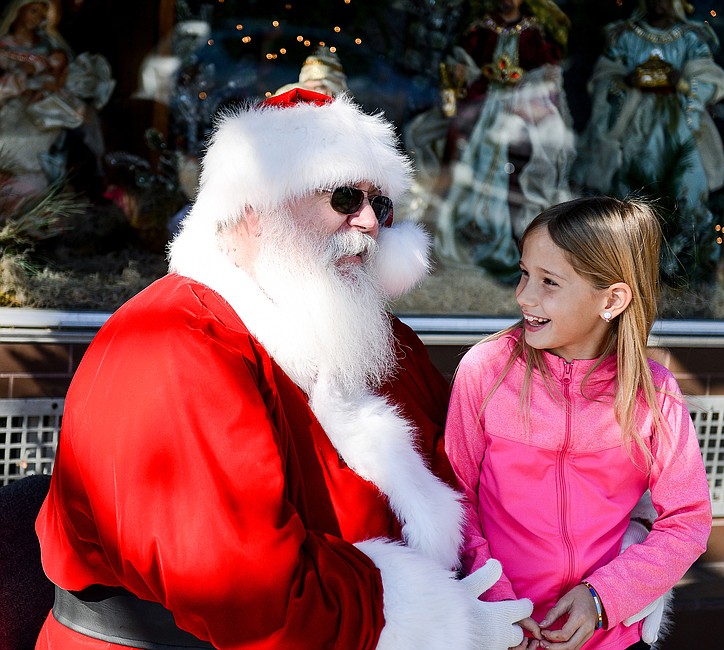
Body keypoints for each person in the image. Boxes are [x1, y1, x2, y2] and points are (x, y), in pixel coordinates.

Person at [34, 88, 534, 649]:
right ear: (254, 209)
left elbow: (475, 473)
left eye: (380, 204)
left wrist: (601, 555)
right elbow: (246, 588)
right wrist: (444, 622)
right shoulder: (172, 344)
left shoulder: (379, 340)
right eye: (344, 197)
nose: (369, 221)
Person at [444, 196, 712, 649]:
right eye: (524, 273)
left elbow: (687, 521)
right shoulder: (486, 371)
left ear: (612, 299)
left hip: (610, 635)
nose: (525, 295)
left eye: (550, 282)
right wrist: (499, 604)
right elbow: (454, 496)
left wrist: (603, 597)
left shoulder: (654, 393)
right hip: (499, 630)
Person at [571, 0, 724, 282]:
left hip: (679, 125)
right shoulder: (626, 36)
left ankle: (685, 266)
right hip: (636, 126)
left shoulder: (691, 38)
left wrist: (682, 82)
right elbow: (605, 77)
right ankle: (631, 264)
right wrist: (626, 82)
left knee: (687, 184)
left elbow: (708, 78)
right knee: (634, 186)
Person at [432, 0, 575, 282]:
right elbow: (463, 66)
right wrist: (464, 73)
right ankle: (473, 232)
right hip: (484, 107)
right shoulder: (480, 30)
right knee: (474, 160)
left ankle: (516, 238)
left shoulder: (533, 31)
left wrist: (528, 89)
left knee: (519, 162)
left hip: (520, 109)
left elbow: (547, 74)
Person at [0, 0, 113, 198]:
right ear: (18, 11)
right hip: (12, 106)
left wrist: (54, 81)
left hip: (45, 105)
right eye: (32, 11)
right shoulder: (5, 46)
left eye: (41, 13)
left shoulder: (49, 44)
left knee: (77, 122)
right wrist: (25, 76)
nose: (36, 18)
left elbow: (65, 74)